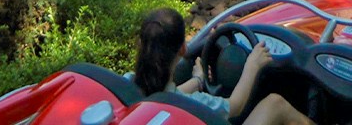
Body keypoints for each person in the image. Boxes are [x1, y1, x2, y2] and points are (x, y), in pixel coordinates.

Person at [131, 9, 312, 125]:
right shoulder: (194, 104)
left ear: (141, 43)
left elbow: (165, 95)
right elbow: (235, 106)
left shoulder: (127, 82)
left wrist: (197, 80)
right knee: (275, 103)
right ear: (183, 49)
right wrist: (252, 66)